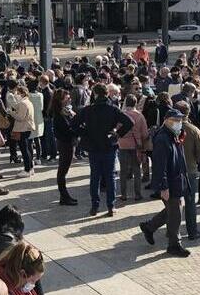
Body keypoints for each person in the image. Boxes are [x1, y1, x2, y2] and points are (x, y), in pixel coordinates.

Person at [73, 83, 133, 217]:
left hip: (93, 146)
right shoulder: (113, 109)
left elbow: (74, 124)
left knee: (95, 177)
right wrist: (118, 134)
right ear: (107, 94)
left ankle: (95, 206)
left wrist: (85, 133)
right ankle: (111, 206)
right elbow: (129, 122)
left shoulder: (88, 110)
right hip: (109, 146)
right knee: (110, 177)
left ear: (94, 94)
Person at [138, 109, 192, 258]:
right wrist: (164, 186)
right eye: (176, 120)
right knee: (175, 213)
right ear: (167, 121)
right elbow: (160, 166)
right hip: (170, 182)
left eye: (180, 120)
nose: (179, 123)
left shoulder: (174, 135)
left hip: (177, 179)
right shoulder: (163, 139)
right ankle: (174, 244)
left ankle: (149, 227)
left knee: (172, 210)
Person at [176, 100, 200, 239]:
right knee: (190, 202)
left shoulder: (169, 129)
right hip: (190, 169)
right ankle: (192, 231)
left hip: (173, 171)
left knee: (174, 203)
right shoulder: (194, 130)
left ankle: (172, 231)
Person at [117, 94, 148, 202]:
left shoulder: (121, 114)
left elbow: (117, 129)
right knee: (137, 170)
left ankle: (124, 194)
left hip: (123, 144)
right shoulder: (140, 116)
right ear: (136, 103)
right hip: (136, 145)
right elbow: (144, 133)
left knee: (123, 170)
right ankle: (137, 194)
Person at [50, 88, 78, 205]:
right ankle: (64, 196)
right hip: (65, 143)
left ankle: (64, 195)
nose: (69, 99)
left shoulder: (65, 111)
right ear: (61, 100)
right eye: (67, 98)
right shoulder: (59, 115)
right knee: (62, 170)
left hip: (67, 143)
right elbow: (67, 130)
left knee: (64, 170)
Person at [11, 85, 36, 177]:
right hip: (27, 128)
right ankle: (31, 168)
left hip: (23, 128)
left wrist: (12, 113)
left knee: (24, 149)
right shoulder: (28, 102)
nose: (16, 95)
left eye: (17, 93)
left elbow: (20, 117)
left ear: (21, 93)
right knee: (28, 148)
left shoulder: (23, 103)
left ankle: (27, 169)